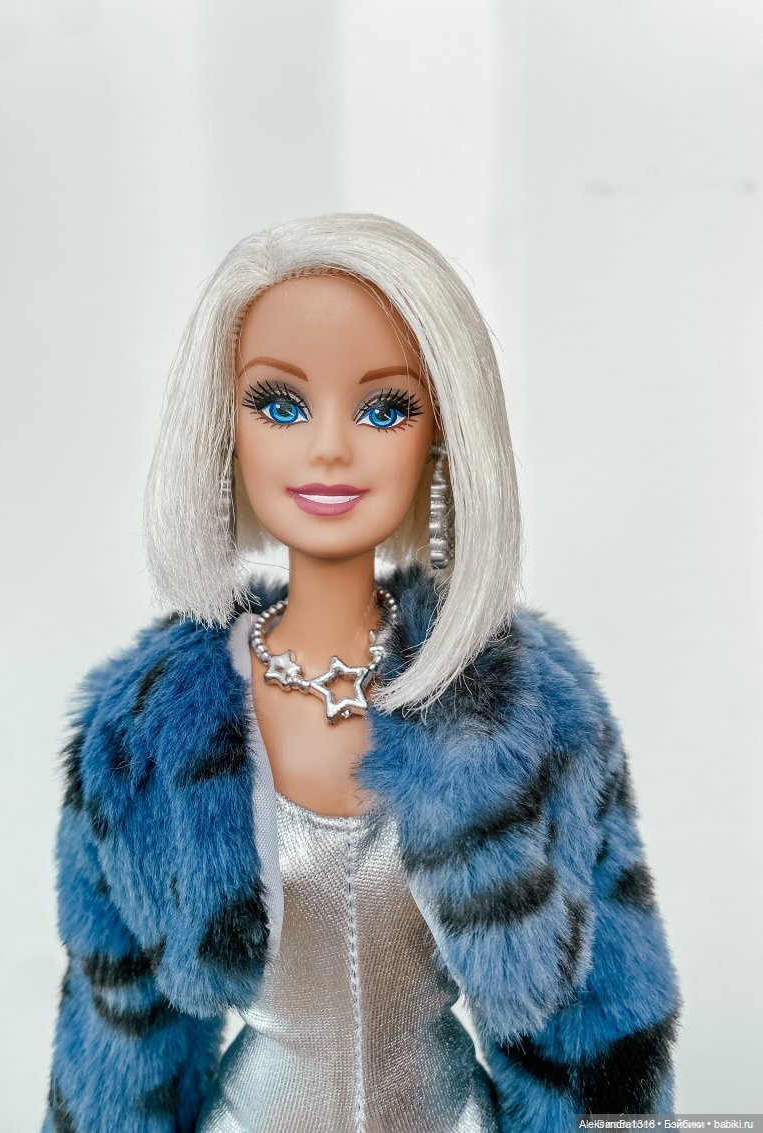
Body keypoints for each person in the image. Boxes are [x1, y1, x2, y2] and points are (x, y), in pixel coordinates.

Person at [41, 214, 681, 1133]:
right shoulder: (144, 733)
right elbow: (118, 1044)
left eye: (385, 408)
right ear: (223, 431)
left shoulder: (529, 708)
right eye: (280, 404)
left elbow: (603, 1029)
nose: (330, 447)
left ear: (443, 436)